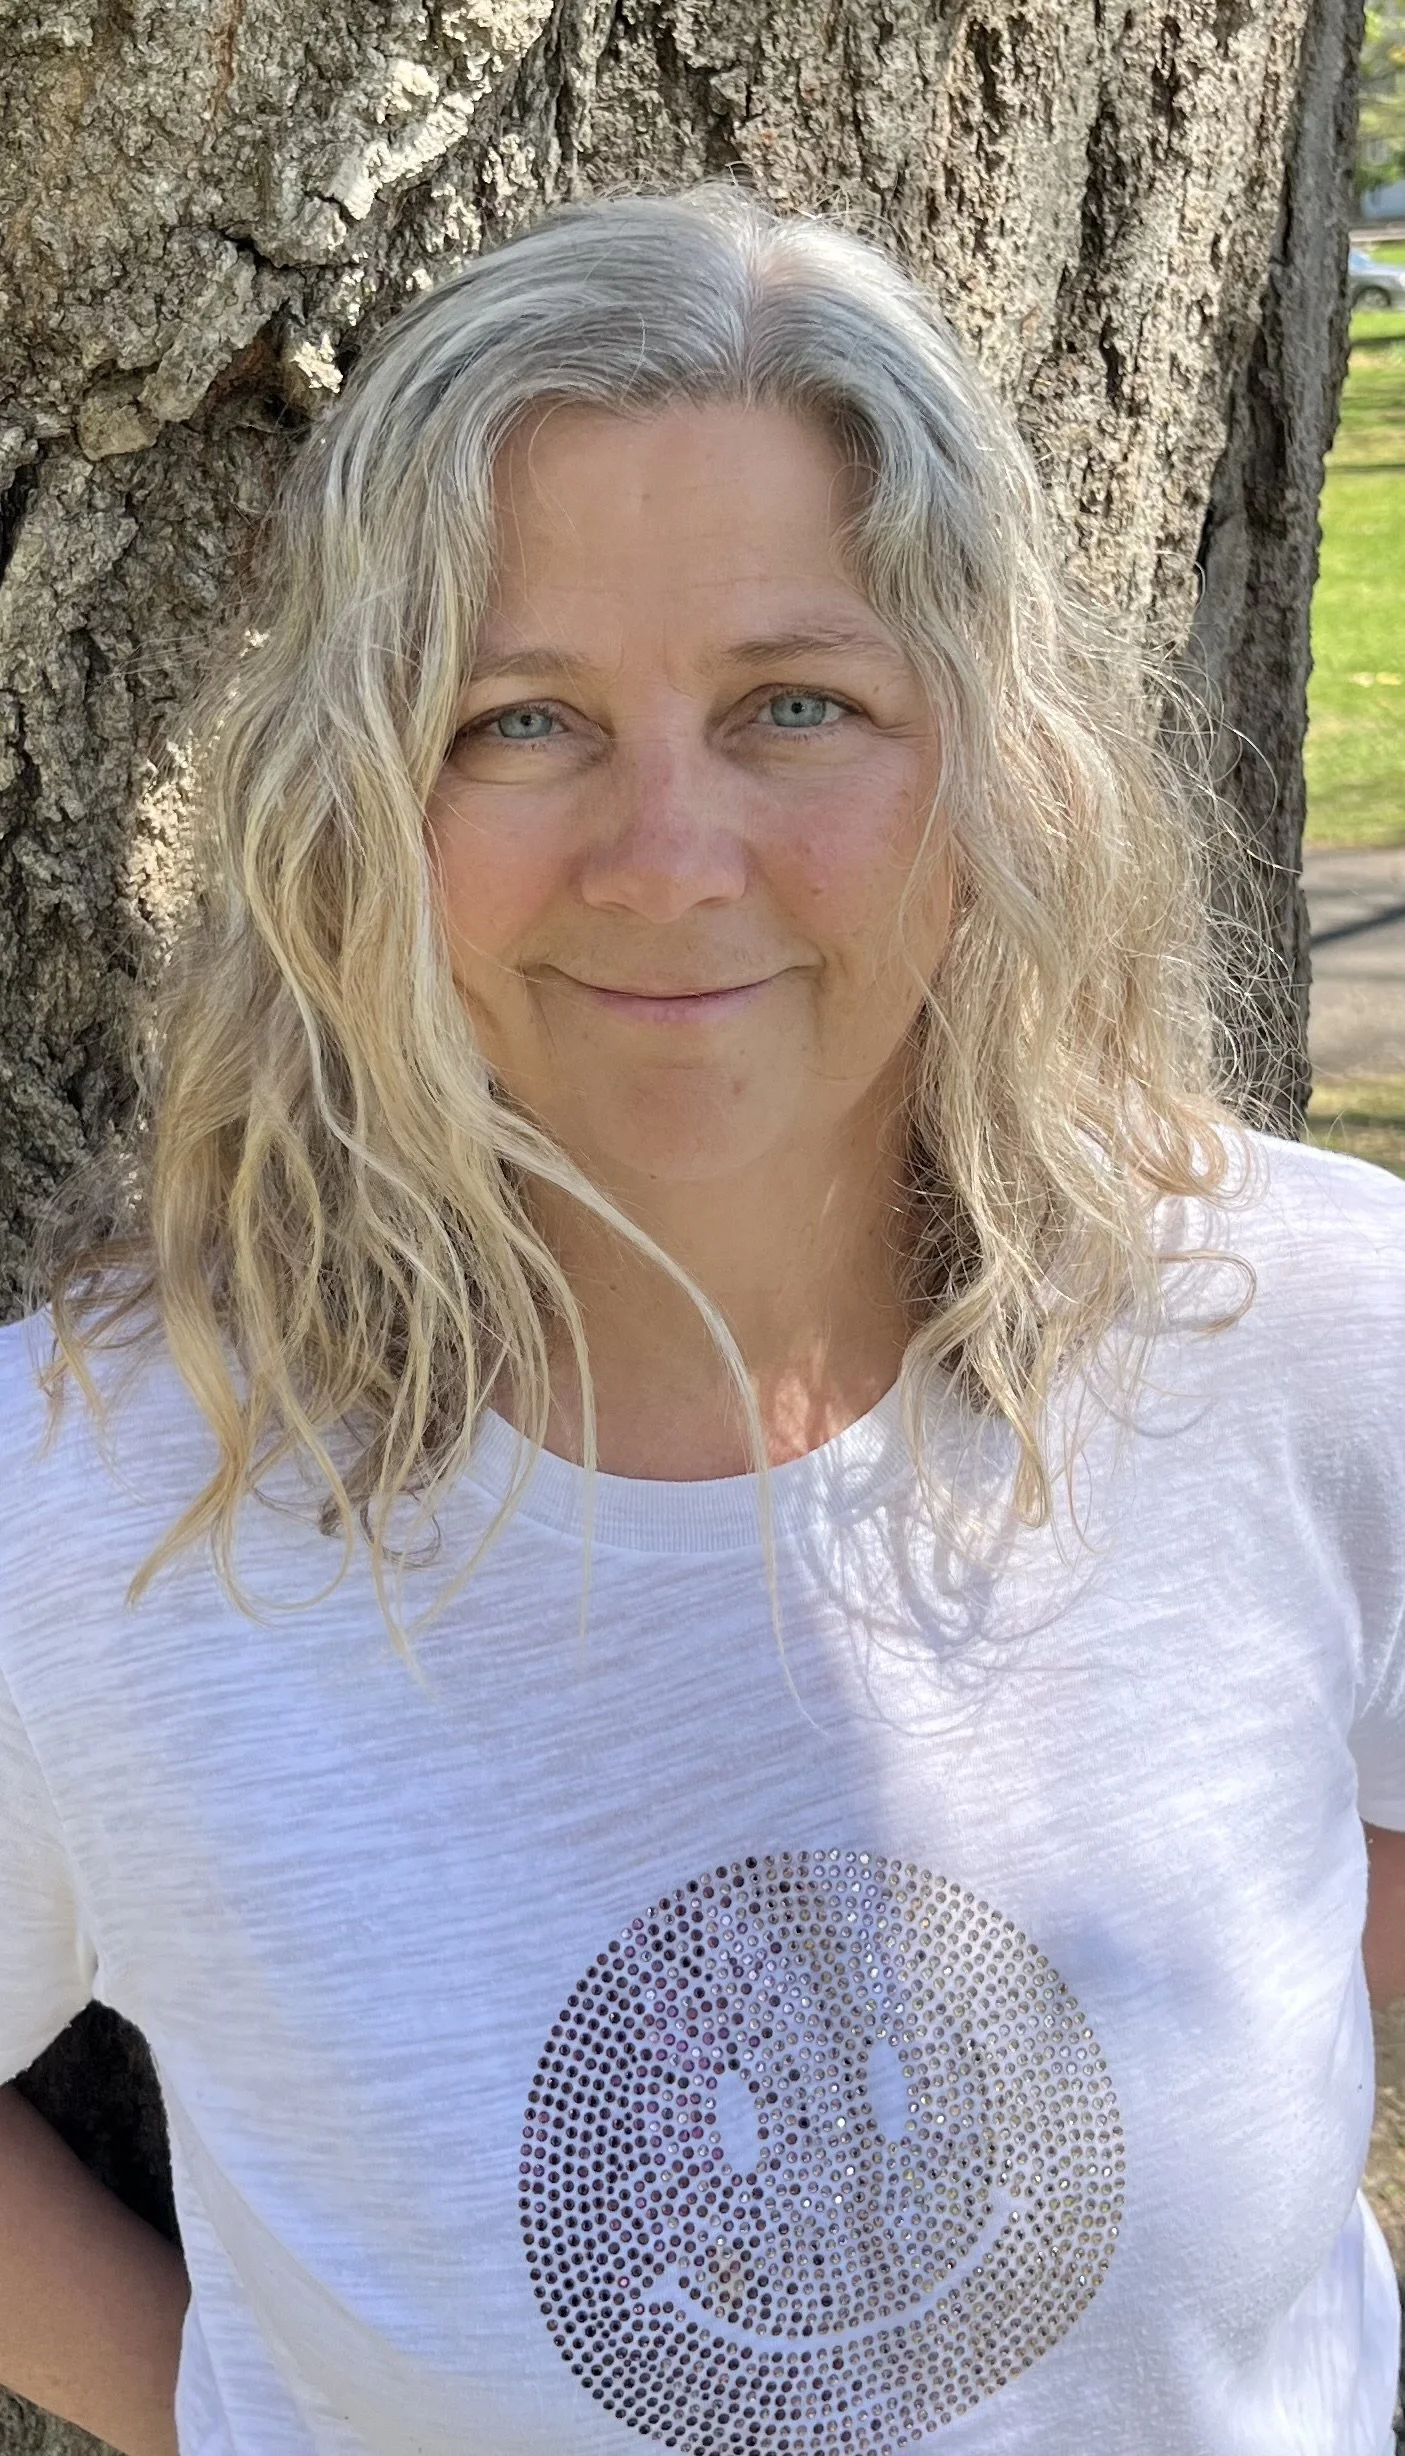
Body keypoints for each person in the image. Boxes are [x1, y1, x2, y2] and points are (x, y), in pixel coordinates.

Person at [0, 181, 1402, 2456]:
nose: (669, 856)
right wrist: (211, 2401)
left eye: (796, 703)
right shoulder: (91, 1508)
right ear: (354, 799)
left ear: (992, 759)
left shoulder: (1310, 1344)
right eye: (523, 719)